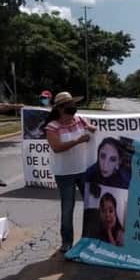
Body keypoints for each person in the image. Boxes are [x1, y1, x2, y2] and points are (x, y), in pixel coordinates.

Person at [43, 91, 96, 252]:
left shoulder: (80, 119)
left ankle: (91, 238)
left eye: (74, 104)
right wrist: (78, 141)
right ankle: (66, 242)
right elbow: (57, 147)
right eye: (69, 105)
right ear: (60, 108)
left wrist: (91, 128)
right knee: (67, 207)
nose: (73, 107)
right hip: (64, 173)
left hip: (83, 170)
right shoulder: (52, 127)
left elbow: (93, 129)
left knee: (91, 205)